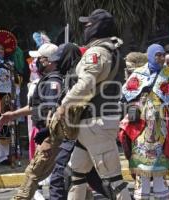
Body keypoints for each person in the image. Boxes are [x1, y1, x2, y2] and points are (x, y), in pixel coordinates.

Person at [53, 9, 131, 200]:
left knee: (113, 181)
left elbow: (86, 84)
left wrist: (63, 105)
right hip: (95, 123)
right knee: (75, 175)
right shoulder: (113, 51)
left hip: (96, 123)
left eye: (88, 24)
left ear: (97, 27)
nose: (85, 28)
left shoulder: (96, 52)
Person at [119, 44, 169, 199]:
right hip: (140, 123)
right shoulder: (138, 73)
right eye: (158, 55)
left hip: (161, 122)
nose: (161, 58)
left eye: (163, 55)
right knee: (141, 165)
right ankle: (142, 193)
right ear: (150, 55)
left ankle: (160, 191)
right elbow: (124, 95)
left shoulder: (168, 73)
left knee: (160, 165)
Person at [0, 43, 63, 200]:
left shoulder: (52, 82)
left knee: (32, 173)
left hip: (51, 136)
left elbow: (52, 110)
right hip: (51, 134)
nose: (36, 62)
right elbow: (36, 107)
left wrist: (46, 133)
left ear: (48, 60)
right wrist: (13, 114)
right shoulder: (48, 80)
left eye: (39, 59)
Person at [0, 30, 18, 170]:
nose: (0, 51)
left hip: (6, 98)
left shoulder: (9, 64)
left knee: (5, 127)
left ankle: (3, 157)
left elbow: (16, 80)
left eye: (2, 49)